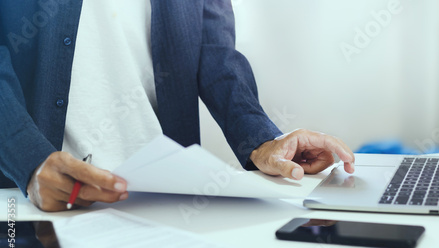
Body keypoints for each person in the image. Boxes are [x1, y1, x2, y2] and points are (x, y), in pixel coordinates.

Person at [0, 0, 355, 212]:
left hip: (164, 195)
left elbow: (216, 53)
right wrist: (29, 161)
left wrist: (263, 141)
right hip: (44, 198)